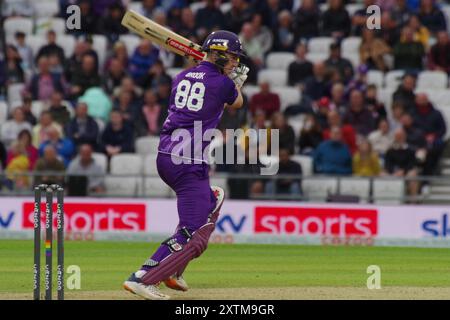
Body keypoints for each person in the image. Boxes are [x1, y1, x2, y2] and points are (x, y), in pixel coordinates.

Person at [123, 30, 246, 300]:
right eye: (233, 58)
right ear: (221, 56)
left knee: (214, 199)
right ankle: (143, 277)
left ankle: (173, 270)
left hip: (166, 156)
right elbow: (237, 102)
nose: (236, 63)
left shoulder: (180, 77)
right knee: (193, 232)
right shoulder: (222, 83)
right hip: (188, 162)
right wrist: (235, 83)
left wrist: (226, 77)